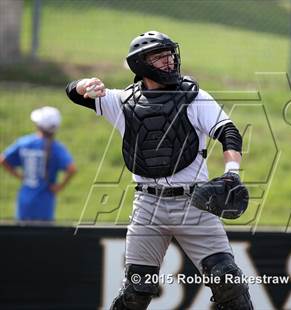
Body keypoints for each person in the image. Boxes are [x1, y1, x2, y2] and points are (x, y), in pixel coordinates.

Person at [65, 31, 253, 309]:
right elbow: (73, 92)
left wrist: (232, 173)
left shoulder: (194, 96)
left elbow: (229, 132)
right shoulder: (122, 101)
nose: (170, 62)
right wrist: (83, 85)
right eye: (160, 57)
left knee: (227, 281)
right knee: (135, 293)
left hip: (195, 203)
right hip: (148, 204)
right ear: (140, 64)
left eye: (170, 55)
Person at [0, 106, 77, 221]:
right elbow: (72, 169)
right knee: (43, 236)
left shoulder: (25, 143)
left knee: (22, 234)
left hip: (25, 199)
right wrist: (59, 186)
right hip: (45, 201)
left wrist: (19, 176)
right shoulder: (57, 148)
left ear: (38, 125)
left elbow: (3, 160)